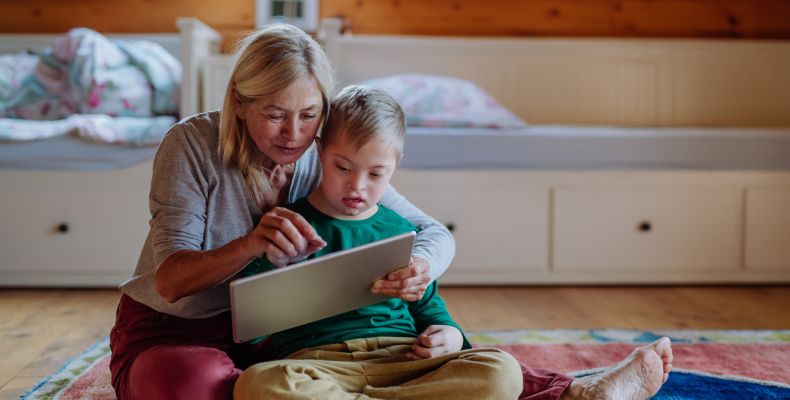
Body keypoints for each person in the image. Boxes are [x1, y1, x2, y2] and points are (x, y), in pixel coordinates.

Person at [108, 23, 672, 400]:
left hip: (277, 337)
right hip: (179, 329)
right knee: (205, 381)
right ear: (239, 102)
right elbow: (172, 280)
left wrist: (420, 269)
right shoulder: (192, 145)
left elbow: (424, 230)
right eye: (275, 114)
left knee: (460, 354)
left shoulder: (326, 156)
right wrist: (251, 244)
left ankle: (574, 394)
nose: (294, 134)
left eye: (309, 115)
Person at [235, 85, 524, 399]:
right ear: (320, 153)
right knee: (258, 383)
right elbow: (251, 334)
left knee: (502, 371)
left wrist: (450, 336)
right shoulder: (287, 224)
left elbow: (431, 309)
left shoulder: (401, 229)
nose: (356, 185)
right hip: (319, 365)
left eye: (376, 174)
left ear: (395, 165)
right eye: (343, 168)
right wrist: (272, 266)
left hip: (403, 360)